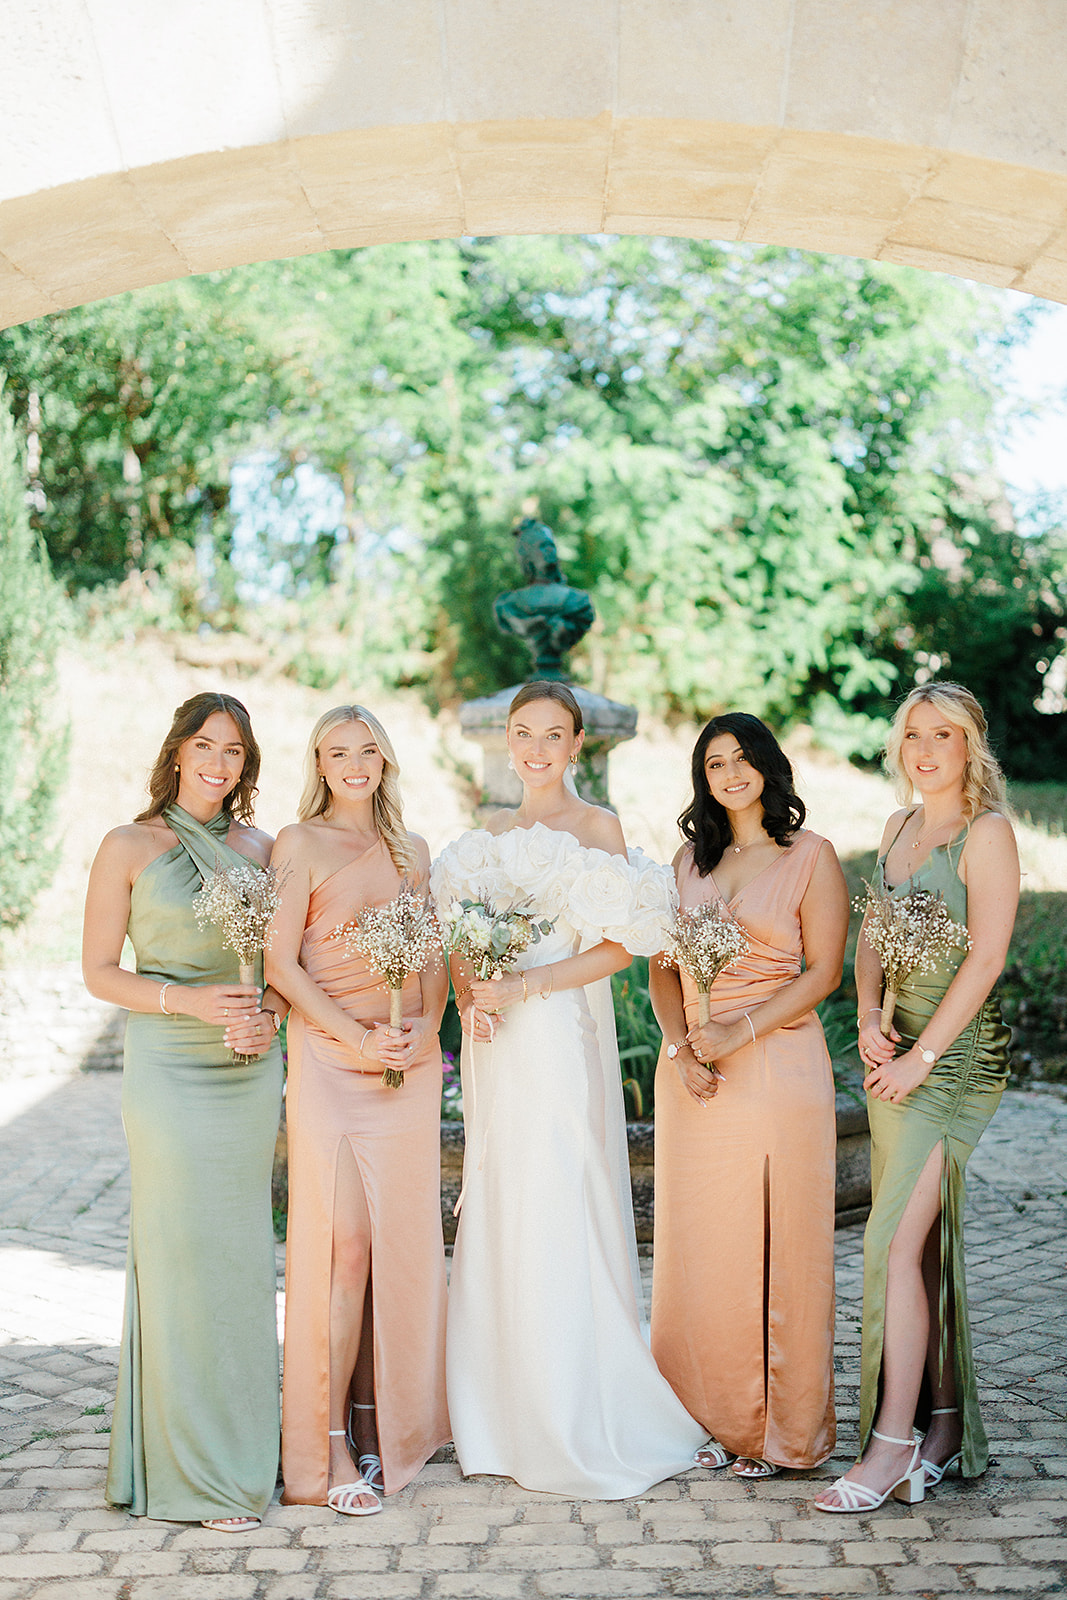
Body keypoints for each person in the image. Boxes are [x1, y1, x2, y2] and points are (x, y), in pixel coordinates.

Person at [431, 681, 705, 1499]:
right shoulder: (486, 837)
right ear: (507, 742)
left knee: (556, 1198)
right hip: (496, 1046)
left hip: (554, 1041)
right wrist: (473, 995)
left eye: (553, 734)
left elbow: (622, 948)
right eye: (523, 733)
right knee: (502, 1198)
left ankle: (572, 1411)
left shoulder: (597, 828)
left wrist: (530, 985)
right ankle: (498, 1417)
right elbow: (461, 944)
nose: (536, 749)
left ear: (577, 742)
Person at [83, 692, 285, 1531]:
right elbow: (100, 972)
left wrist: (266, 1009)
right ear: (176, 751)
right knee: (177, 1253)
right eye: (205, 745)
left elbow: (285, 961)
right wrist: (188, 1005)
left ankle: (237, 1453)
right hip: (169, 1064)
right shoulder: (127, 845)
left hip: (247, 1066)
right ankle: (182, 1470)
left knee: (236, 1255)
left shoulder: (265, 849)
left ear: (246, 766)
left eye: (233, 751)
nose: (218, 761)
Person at [815, 683, 1019, 1513]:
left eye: (944, 734)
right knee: (919, 1246)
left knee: (888, 1244)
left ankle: (889, 1445)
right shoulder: (900, 829)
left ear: (970, 746)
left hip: (956, 1061)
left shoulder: (989, 834)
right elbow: (872, 935)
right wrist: (868, 1015)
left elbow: (986, 960)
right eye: (913, 735)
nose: (926, 749)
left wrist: (921, 1056)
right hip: (894, 1050)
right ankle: (938, 1428)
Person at [649, 712, 849, 1481]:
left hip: (776, 1064)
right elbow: (661, 968)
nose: (729, 774)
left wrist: (740, 1032)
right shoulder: (686, 863)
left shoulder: (810, 857)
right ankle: (711, 1416)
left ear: (767, 766)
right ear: (701, 778)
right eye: (713, 763)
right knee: (703, 1249)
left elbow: (821, 973)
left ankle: (782, 1432)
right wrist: (679, 1047)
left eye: (741, 759)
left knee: (779, 1245)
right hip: (694, 1074)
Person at [266, 706, 449, 1516]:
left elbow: (434, 956)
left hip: (403, 1066)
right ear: (318, 761)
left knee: (395, 1251)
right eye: (337, 752)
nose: (353, 762)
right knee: (342, 1247)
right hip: (329, 1060)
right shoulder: (297, 843)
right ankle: (329, 1442)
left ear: (385, 757)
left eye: (366, 748)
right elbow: (279, 963)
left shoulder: (413, 852)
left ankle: (387, 1426)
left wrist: (427, 1033)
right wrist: (349, 1035)